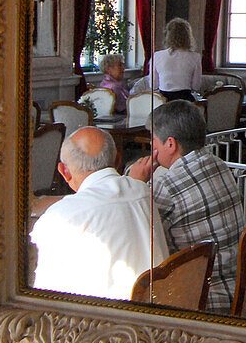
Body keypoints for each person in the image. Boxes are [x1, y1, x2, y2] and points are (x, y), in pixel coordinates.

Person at [129, 101, 243, 313]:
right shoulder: (218, 164)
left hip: (203, 298)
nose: (151, 147)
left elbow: (140, 233)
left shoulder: (168, 187)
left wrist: (135, 185)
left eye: (153, 140)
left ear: (170, 144)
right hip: (238, 287)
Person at [31, 127, 168, 299]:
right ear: (118, 161)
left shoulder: (58, 218)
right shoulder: (143, 192)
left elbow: (45, 296)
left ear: (64, 172)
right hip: (157, 312)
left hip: (101, 320)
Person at [151, 17, 203, 101]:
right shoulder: (195, 57)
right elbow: (196, 86)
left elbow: (153, 85)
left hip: (163, 101)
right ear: (188, 36)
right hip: (185, 100)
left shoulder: (157, 56)